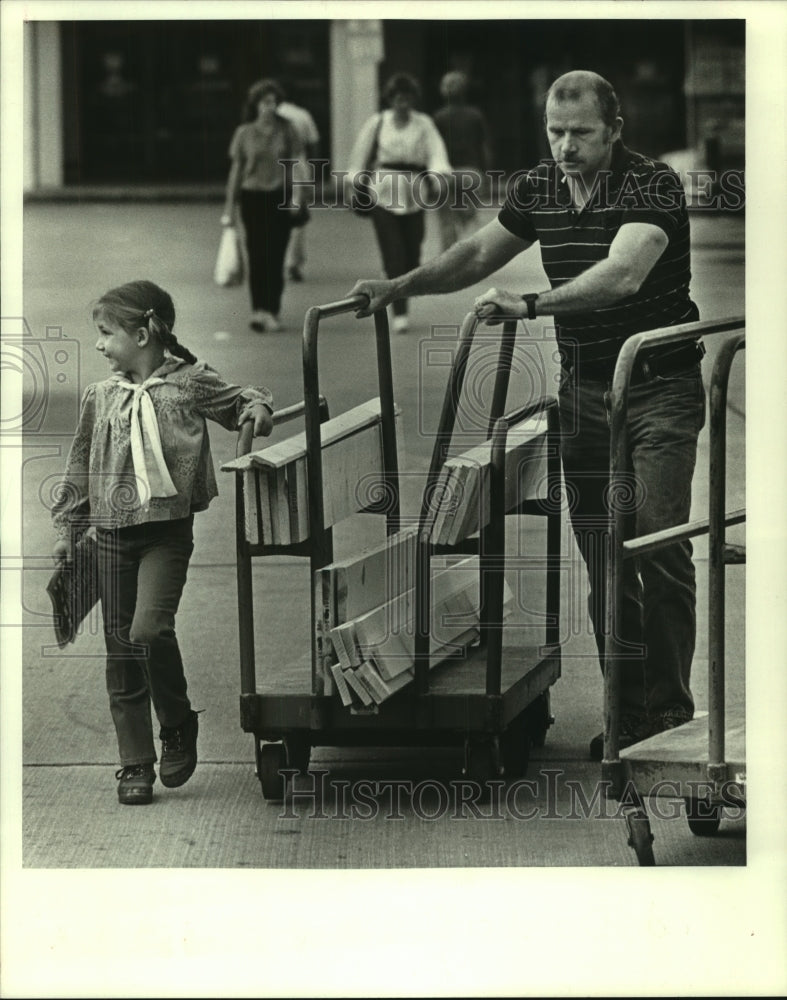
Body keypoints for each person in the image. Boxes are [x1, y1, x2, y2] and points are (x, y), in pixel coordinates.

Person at [349, 70, 706, 759]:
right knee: (604, 555)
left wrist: (533, 305)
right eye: (555, 131)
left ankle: (670, 715)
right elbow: (479, 252)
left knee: (657, 546)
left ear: (614, 131)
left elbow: (623, 273)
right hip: (586, 395)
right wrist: (401, 285)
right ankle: (627, 716)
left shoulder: (649, 184)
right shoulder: (539, 186)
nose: (565, 146)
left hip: (660, 389)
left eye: (580, 133)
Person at [51, 280, 274, 805]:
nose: (101, 345)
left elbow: (241, 397)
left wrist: (255, 410)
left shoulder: (189, 384)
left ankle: (176, 721)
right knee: (121, 651)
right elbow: (80, 464)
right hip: (109, 537)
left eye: (107, 334)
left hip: (165, 536)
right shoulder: (101, 395)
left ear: (145, 332)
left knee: (149, 630)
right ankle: (134, 763)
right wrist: (67, 532)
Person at [347, 71, 451, 334]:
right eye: (397, 99)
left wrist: (439, 176)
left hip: (414, 191)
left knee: (413, 249)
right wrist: (354, 182)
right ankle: (399, 310)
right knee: (393, 251)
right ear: (390, 100)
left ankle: (403, 285)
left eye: (407, 99)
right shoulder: (378, 122)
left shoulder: (423, 123)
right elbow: (361, 152)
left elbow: (436, 152)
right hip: (383, 190)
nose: (402, 104)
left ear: (413, 100)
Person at [222, 78, 306, 333]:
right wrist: (229, 208)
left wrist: (296, 198)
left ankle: (272, 310)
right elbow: (236, 171)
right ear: (256, 105)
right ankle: (258, 310)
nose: (270, 107)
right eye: (265, 102)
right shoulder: (244, 133)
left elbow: (296, 165)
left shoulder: (288, 129)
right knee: (256, 254)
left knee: (275, 254)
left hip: (279, 196)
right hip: (252, 197)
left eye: (273, 102)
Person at [433, 70, 493, 251]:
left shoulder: (439, 117)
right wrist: (488, 174)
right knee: (468, 216)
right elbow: (485, 148)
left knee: (446, 221)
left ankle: (447, 259)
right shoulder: (475, 115)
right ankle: (468, 253)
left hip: (445, 174)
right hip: (470, 173)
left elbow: (432, 150)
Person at [277, 96, 321, 283]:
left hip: (272, 169)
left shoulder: (272, 115)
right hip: (298, 167)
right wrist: (316, 172)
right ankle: (292, 263)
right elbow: (313, 143)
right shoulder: (303, 115)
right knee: (298, 218)